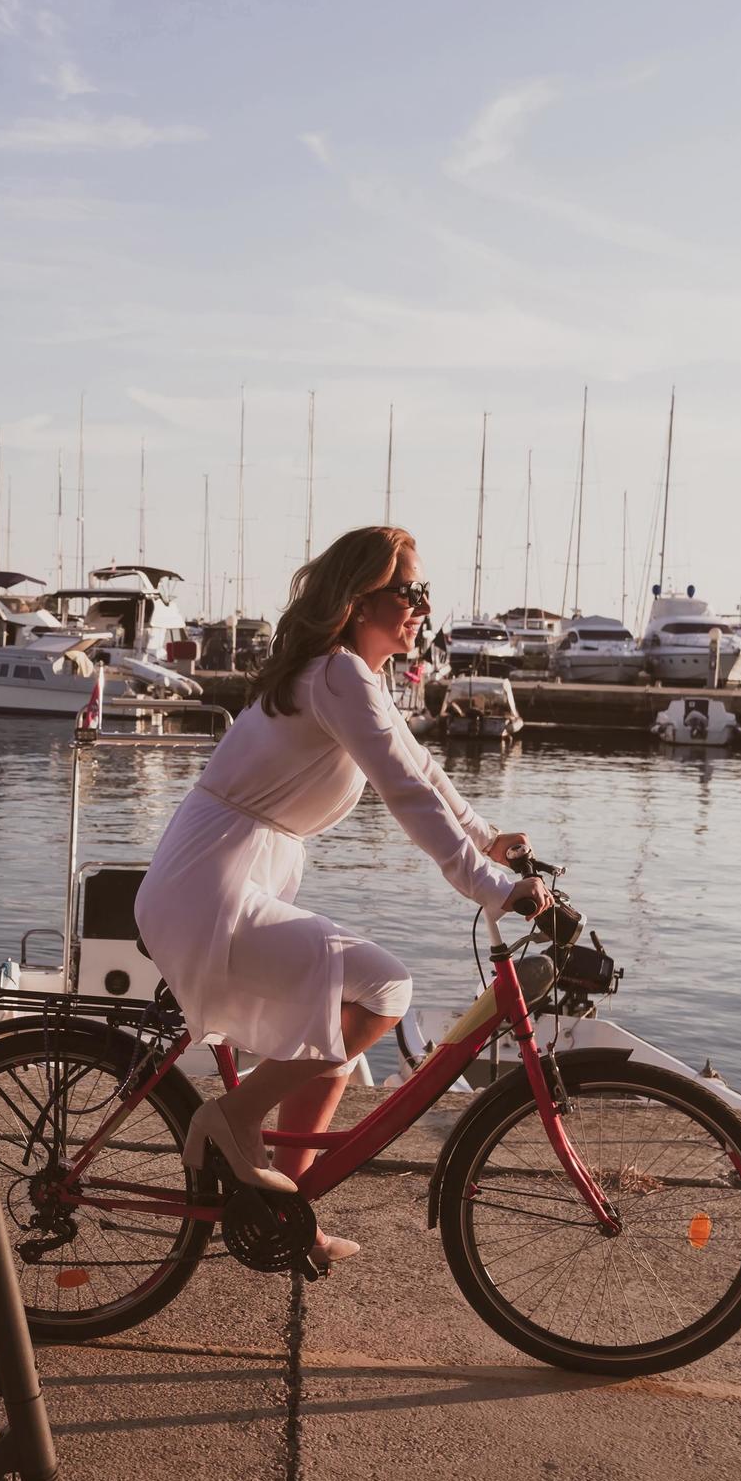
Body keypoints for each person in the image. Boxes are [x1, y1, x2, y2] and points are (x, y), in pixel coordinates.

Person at [133, 525, 545, 1262]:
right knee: (385, 988)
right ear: (360, 600)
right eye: (410, 590)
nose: (422, 606)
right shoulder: (337, 677)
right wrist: (491, 888)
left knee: (341, 1011)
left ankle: (283, 1214)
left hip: (228, 874)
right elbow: (404, 797)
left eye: (423, 591)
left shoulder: (355, 675)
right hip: (212, 885)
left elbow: (423, 771)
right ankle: (232, 1117)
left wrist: (489, 839)